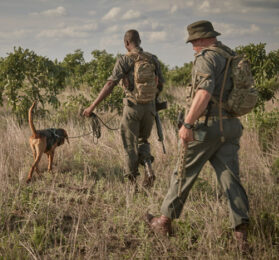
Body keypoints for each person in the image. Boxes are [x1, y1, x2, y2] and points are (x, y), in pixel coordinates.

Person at [146, 20, 250, 252]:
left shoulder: (206, 57)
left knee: (183, 171)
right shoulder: (230, 55)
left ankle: (163, 222)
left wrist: (188, 124)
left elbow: (203, 92)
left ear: (203, 39)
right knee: (231, 180)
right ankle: (241, 234)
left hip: (207, 127)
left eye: (193, 41)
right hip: (230, 125)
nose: (192, 46)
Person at [83, 29, 165, 187]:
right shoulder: (152, 59)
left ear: (126, 43)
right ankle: (148, 168)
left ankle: (132, 184)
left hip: (132, 107)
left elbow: (110, 84)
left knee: (129, 145)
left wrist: (92, 106)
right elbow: (160, 84)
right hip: (149, 108)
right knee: (143, 140)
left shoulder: (124, 60)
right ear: (139, 41)